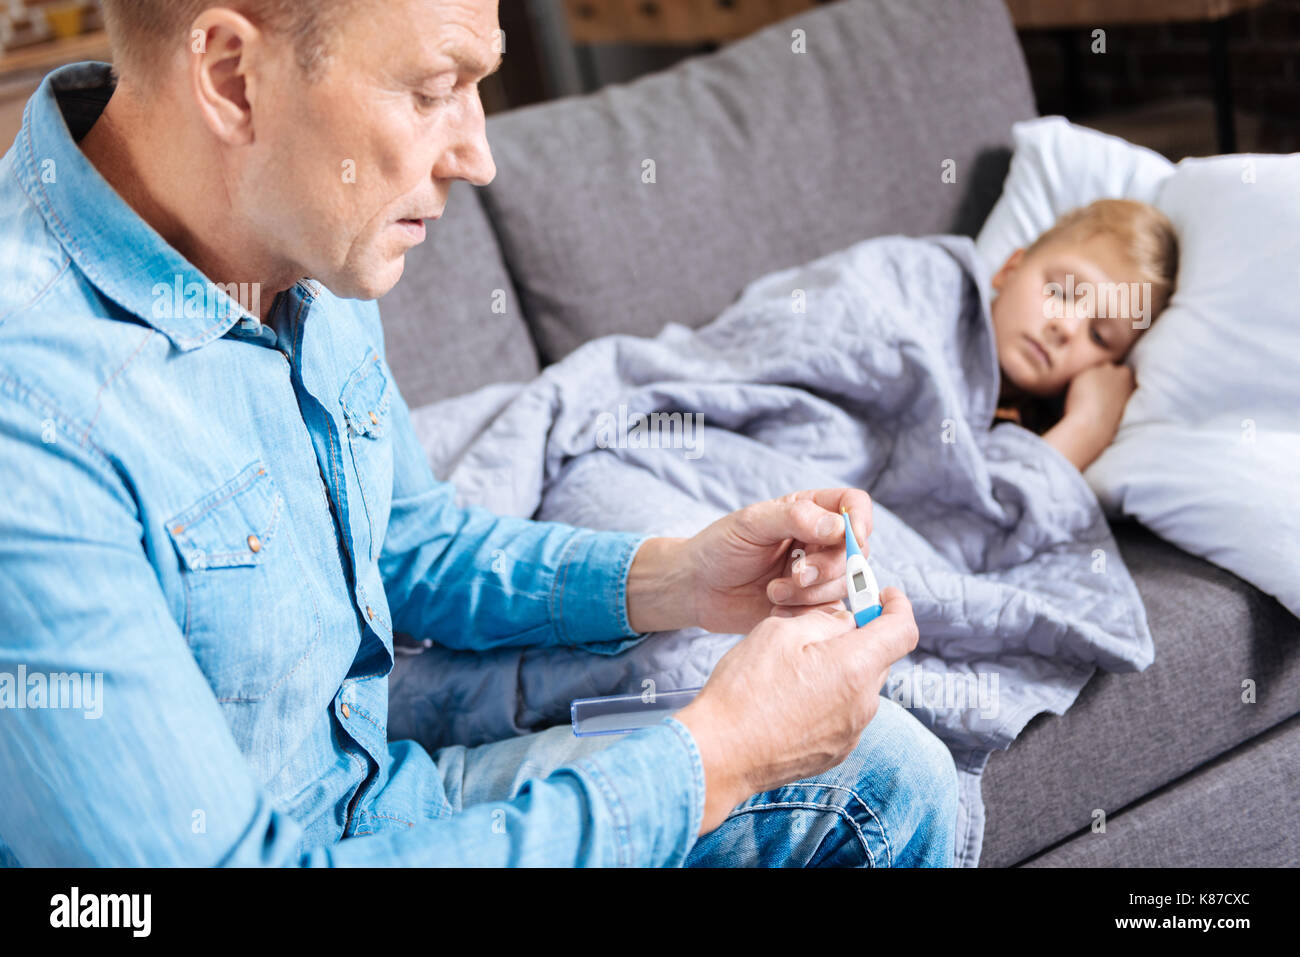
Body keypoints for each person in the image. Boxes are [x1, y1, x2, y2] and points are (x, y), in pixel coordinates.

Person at [0, 0, 958, 867]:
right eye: (432, 90)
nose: (478, 155)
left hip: (379, 803)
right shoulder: (33, 421)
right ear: (229, 77)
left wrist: (679, 578)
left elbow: (407, 542)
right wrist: (719, 755)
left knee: (884, 774)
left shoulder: (289, 235)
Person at [989, 198, 1180, 470]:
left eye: (1098, 336)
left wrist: (1088, 425)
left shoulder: (1033, 435)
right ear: (1009, 270)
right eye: (1059, 292)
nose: (1066, 327)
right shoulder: (931, 291)